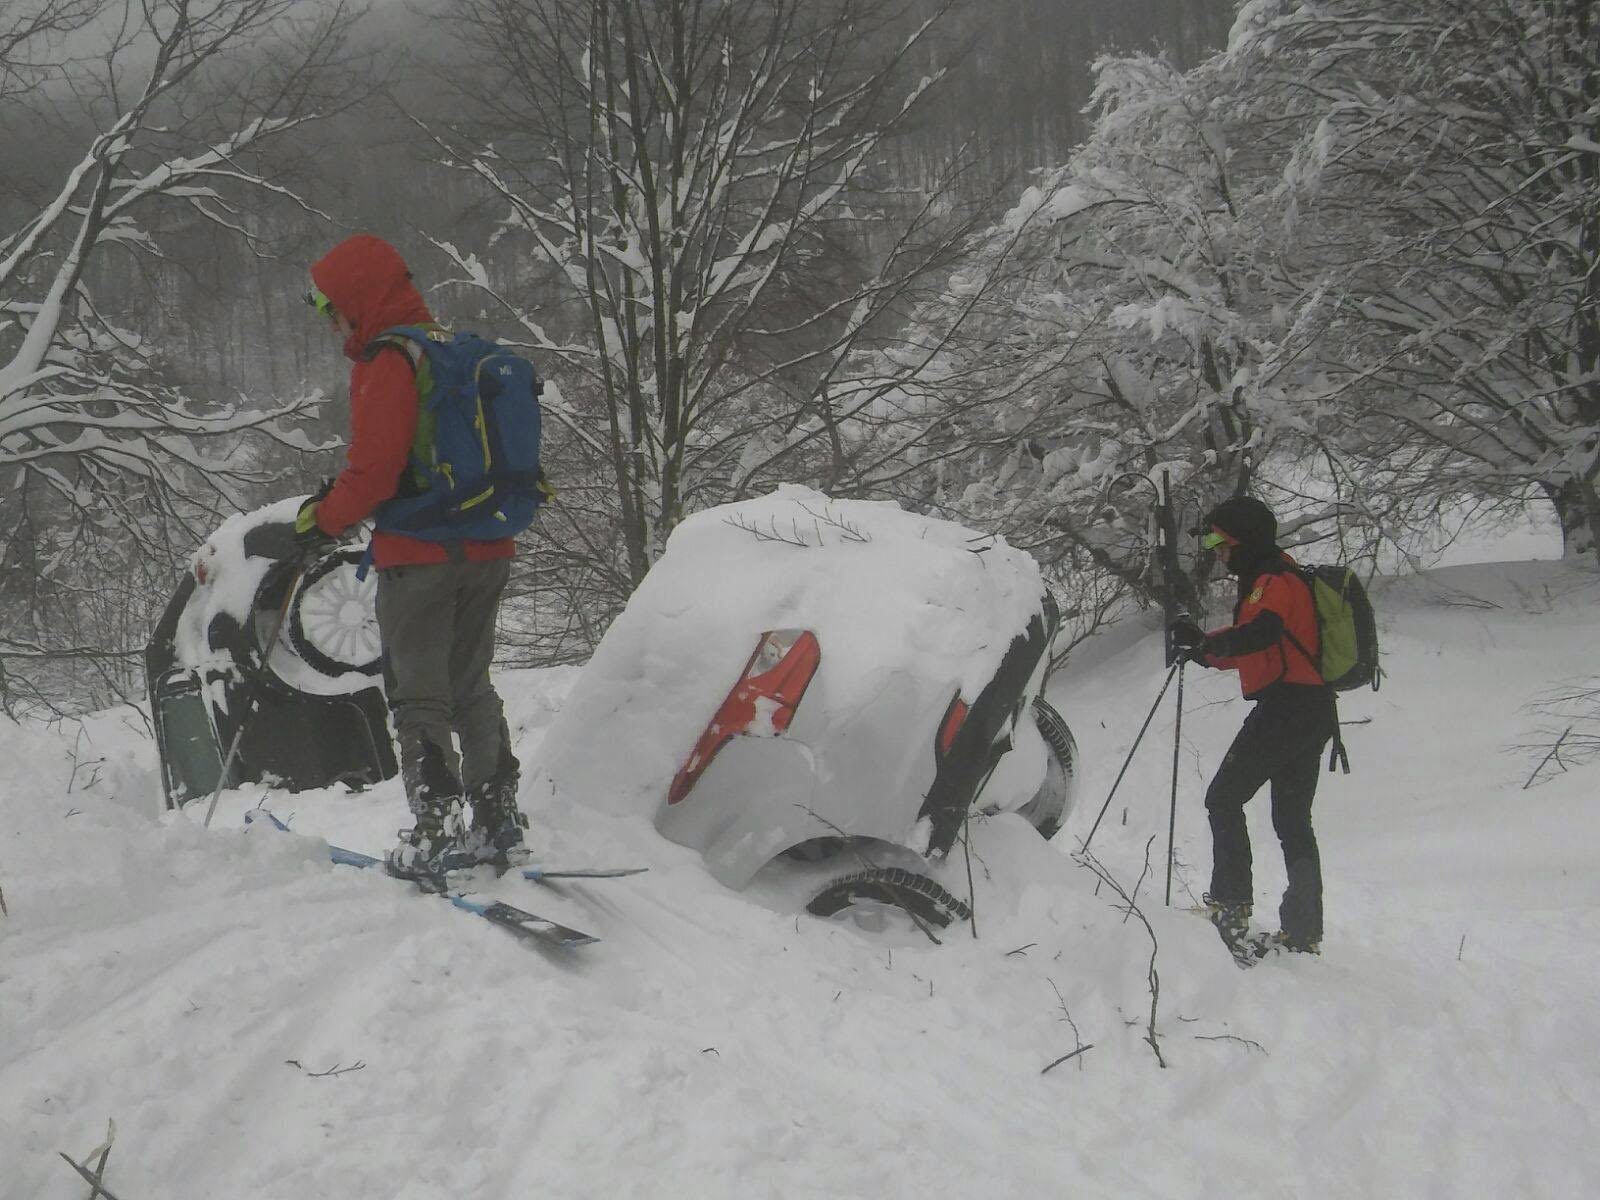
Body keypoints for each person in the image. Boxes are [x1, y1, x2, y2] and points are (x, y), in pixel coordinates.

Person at [293, 233, 529, 882]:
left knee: (418, 697)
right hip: (489, 549)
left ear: (355, 301)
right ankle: (497, 822)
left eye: (330, 309)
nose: (330, 323)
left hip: (419, 558)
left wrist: (319, 521)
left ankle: (435, 830)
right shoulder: (451, 352)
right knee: (471, 686)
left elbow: (374, 473)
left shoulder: (387, 361)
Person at [1167, 495, 1335, 957]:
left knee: (1223, 799)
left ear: (1244, 541)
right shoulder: (1277, 576)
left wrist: (1207, 642)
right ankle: (1302, 932)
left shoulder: (1273, 581)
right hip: (1310, 709)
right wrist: (1203, 650)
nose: (1218, 553)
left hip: (1288, 709)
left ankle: (1230, 908)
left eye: (1222, 542)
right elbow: (1261, 647)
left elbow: (1262, 633)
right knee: (1292, 820)